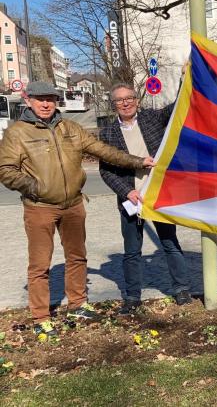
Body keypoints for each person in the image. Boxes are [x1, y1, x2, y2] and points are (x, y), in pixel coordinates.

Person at [0, 81, 154, 338]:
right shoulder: (18, 133)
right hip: (40, 207)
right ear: (29, 101)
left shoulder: (70, 127)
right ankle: (41, 317)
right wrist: (35, 187)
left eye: (50, 99)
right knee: (40, 264)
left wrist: (138, 161)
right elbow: (6, 170)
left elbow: (104, 151)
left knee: (77, 257)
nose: (46, 104)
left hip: (73, 204)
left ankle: (77, 305)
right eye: (40, 99)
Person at [99, 83, 192, 314]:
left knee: (170, 244)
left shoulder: (152, 118)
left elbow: (177, 106)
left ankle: (182, 289)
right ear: (114, 105)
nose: (126, 103)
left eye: (129, 98)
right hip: (131, 199)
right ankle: (132, 297)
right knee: (132, 251)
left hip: (159, 195)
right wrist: (126, 192)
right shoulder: (108, 133)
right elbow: (106, 171)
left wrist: (185, 78)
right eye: (120, 100)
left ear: (137, 100)